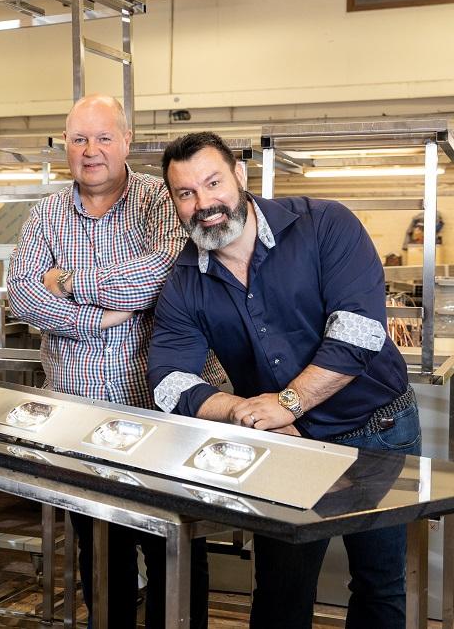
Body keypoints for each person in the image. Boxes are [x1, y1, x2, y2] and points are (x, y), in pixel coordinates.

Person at [148, 131, 421, 629]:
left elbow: (357, 332)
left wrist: (288, 402)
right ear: (174, 203)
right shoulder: (184, 280)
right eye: (186, 193)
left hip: (376, 428)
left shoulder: (325, 224)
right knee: (280, 587)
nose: (204, 203)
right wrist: (241, 410)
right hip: (282, 443)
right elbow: (168, 380)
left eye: (213, 183)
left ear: (241, 177)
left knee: (379, 582)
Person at [6, 93, 217, 628]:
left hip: (162, 411)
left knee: (174, 547)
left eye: (103, 137)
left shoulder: (161, 200)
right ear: (65, 148)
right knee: (100, 552)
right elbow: (22, 293)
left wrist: (72, 283)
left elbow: (164, 273)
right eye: (79, 139)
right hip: (82, 420)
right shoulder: (47, 214)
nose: (91, 150)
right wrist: (93, 319)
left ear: (127, 141)